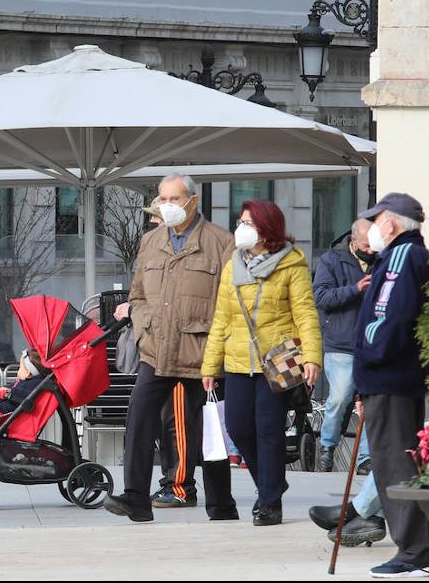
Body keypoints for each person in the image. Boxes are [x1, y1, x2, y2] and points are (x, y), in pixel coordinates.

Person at [103, 173, 237, 523]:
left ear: (193, 201)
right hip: (157, 349)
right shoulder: (151, 241)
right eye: (162, 199)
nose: (166, 206)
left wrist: (217, 350)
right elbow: (138, 295)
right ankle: (135, 496)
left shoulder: (222, 242)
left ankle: (222, 504)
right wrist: (145, 322)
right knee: (139, 414)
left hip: (201, 351)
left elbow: (231, 302)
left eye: (173, 199)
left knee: (208, 428)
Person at [200, 199, 323, 526]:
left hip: (278, 358)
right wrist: (210, 366)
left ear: (267, 230)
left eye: (248, 224)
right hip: (238, 359)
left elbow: (305, 314)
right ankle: (273, 482)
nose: (241, 229)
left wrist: (312, 357)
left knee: (268, 430)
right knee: (238, 427)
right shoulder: (233, 265)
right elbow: (221, 319)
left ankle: (269, 502)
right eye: (240, 222)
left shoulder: (291, 264)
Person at [353, 193, 429, 578]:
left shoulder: (403, 257)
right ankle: (419, 548)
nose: (372, 229)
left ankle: (416, 551)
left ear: (390, 223)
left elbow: (390, 317)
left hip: (390, 377)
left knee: (395, 465)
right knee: (396, 463)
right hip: (388, 377)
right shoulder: (397, 257)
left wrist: (367, 353)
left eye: (376, 220)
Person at [313, 218, 377, 474]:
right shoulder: (331, 260)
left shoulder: (381, 259)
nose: (370, 250)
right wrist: (355, 289)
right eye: (365, 245)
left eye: (373, 245)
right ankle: (328, 445)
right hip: (341, 342)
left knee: (373, 402)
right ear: (353, 239)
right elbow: (321, 297)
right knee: (340, 397)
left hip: (373, 344)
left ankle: (365, 457)